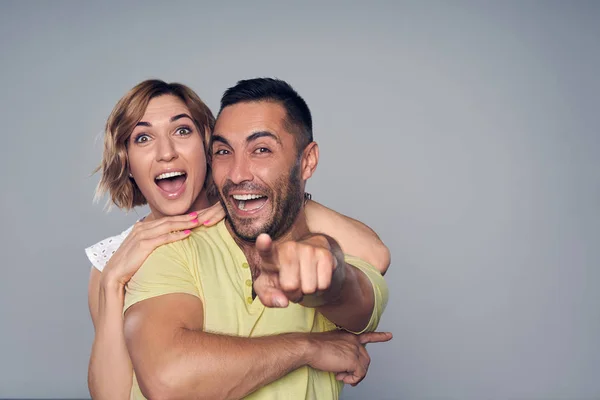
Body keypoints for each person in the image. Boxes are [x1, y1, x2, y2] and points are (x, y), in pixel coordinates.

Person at [86, 79, 391, 399]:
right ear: (128, 162)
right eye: (143, 137)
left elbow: (375, 256)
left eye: (182, 131)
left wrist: (257, 199)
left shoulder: (251, 207)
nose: (166, 153)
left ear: (206, 151)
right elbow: (117, 394)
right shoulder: (116, 259)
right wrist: (112, 282)